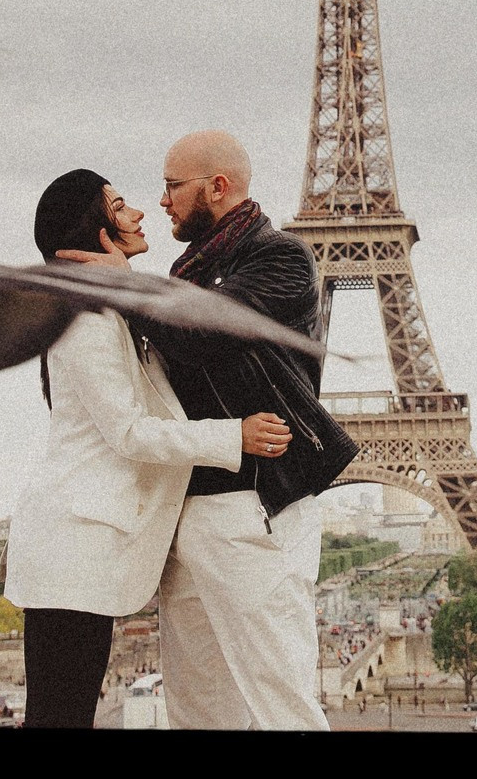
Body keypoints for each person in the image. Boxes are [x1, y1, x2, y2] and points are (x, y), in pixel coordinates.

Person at [59, 130, 357, 730]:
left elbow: (205, 333)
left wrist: (130, 285)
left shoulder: (281, 258)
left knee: (280, 702)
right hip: (191, 509)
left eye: (172, 185)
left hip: (256, 505)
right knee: (199, 710)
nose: (162, 200)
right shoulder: (187, 271)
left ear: (217, 186)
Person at [5, 168, 292, 728]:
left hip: (82, 549)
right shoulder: (86, 317)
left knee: (63, 715)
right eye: (119, 206)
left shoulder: (106, 308)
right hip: (72, 549)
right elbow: (130, 431)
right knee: (61, 715)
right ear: (95, 229)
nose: (138, 213)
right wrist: (233, 434)